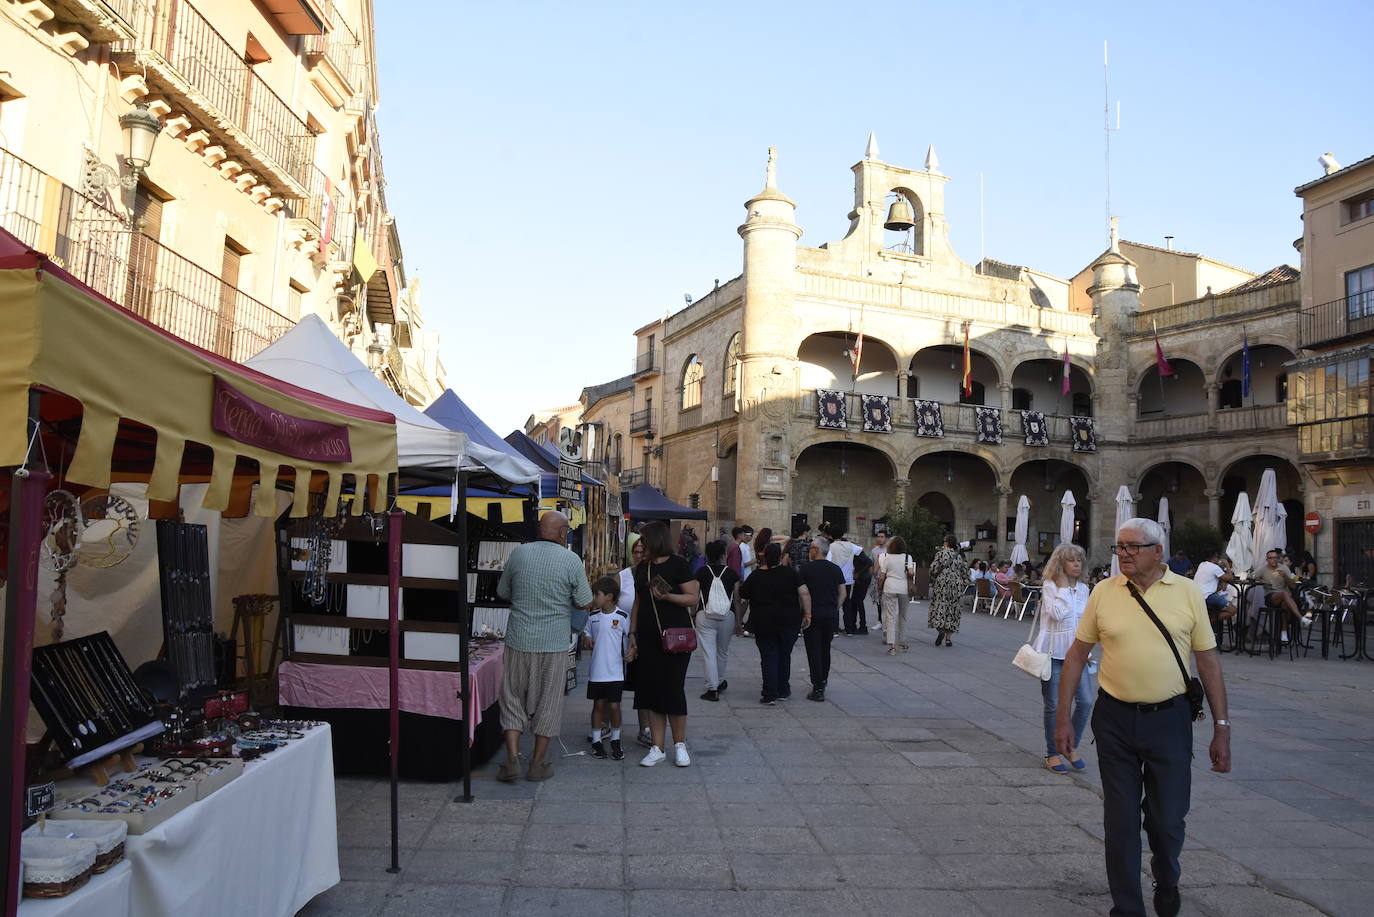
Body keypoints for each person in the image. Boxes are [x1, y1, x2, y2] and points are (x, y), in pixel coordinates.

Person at [1055, 518, 1231, 917]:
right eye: (1119, 547)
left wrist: (1222, 728)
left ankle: (1166, 880)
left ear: (1158, 551)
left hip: (1169, 720)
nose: (1124, 554)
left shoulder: (1187, 593)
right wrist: (1063, 719)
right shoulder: (1104, 591)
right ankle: (1127, 908)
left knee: (1167, 821)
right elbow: (1077, 656)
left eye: (1133, 547)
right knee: (1120, 820)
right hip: (1114, 718)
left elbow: (1208, 662)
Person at [495, 511, 593, 782]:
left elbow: (503, 592)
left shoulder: (519, 554)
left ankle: (512, 759)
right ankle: (537, 765)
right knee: (548, 702)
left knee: (512, 697)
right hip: (553, 642)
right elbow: (585, 600)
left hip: (519, 640)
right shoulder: (571, 560)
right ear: (562, 532)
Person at [625, 521, 700, 767]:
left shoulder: (678, 564)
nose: (640, 545)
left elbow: (692, 598)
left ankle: (680, 744)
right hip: (648, 637)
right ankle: (657, 747)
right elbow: (638, 602)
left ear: (655, 541)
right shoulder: (642, 569)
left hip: (675, 637)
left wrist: (668, 596)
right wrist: (632, 632)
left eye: (644, 541)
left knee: (673, 690)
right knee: (651, 691)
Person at [1036, 543, 1093, 774]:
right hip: (1052, 653)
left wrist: (1088, 651)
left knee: (1086, 701)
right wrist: (1062, 587)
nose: (1077, 564)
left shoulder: (1084, 589)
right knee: (1054, 706)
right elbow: (1057, 615)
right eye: (1071, 560)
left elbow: (1086, 623)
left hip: (1077, 654)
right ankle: (1052, 753)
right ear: (1061, 564)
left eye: (1080, 560)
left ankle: (1071, 745)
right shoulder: (1050, 586)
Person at [740, 541, 810, 705]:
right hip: (788, 621)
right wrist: (807, 614)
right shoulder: (791, 573)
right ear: (779, 557)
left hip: (763, 622)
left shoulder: (756, 576)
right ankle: (783, 690)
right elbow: (804, 593)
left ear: (764, 556)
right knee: (784, 655)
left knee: (768, 656)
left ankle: (770, 693)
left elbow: (743, 594)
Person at [582, 576, 629, 761]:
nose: (594, 597)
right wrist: (586, 640)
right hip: (597, 671)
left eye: (597, 594)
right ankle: (596, 741)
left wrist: (631, 652)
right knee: (598, 706)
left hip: (616, 671)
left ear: (609, 596)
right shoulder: (592, 617)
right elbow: (587, 635)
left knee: (615, 706)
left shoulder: (622, 617)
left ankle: (616, 740)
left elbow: (629, 640)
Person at [798, 535, 845, 701]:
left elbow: (802, 594)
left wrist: (805, 613)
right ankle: (823, 679)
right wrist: (834, 608)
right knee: (825, 649)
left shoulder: (805, 569)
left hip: (813, 615)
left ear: (815, 550)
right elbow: (843, 593)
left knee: (813, 650)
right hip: (830, 614)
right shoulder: (836, 569)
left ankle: (817, 686)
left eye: (810, 548)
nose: (808, 551)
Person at [694, 539, 739, 702]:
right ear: (723, 555)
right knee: (722, 651)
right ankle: (719, 681)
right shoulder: (732, 573)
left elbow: (695, 596)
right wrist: (739, 622)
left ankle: (712, 688)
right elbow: (737, 599)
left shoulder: (701, 572)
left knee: (708, 652)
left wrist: (692, 614)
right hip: (727, 616)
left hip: (705, 615)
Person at [618, 540, 653, 749]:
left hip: (645, 637)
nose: (639, 555)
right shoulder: (622, 576)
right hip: (621, 637)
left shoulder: (653, 576)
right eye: (636, 551)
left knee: (644, 684)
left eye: (643, 551)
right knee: (614, 682)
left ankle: (645, 728)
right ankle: (607, 723)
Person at [1255, 548, 1311, 637]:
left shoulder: (1284, 568)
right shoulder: (1263, 569)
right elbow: (1252, 577)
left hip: (1284, 597)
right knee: (1285, 594)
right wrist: (1261, 580)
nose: (1274, 560)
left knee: (1285, 602)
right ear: (1267, 559)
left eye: (1275, 558)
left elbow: (1293, 586)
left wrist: (1285, 576)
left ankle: (1284, 632)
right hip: (1271, 596)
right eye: (1271, 558)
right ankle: (1300, 618)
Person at [875, 535, 914, 654]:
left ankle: (892, 646)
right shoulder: (908, 557)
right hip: (903, 588)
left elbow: (881, 577)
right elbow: (911, 573)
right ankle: (902, 641)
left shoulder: (887, 557)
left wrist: (880, 588)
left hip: (889, 587)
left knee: (890, 616)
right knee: (903, 615)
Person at [928, 534, 966, 647]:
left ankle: (940, 631)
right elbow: (965, 571)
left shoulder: (940, 553)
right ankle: (948, 639)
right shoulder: (959, 556)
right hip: (956, 585)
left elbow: (933, 569)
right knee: (952, 611)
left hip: (942, 584)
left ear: (946, 543)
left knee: (940, 607)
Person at [1192, 550, 1237, 638]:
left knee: (1219, 604)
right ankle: (1206, 624)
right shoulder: (1214, 568)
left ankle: (1206, 623)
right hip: (1207, 596)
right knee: (1233, 610)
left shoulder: (1202, 565)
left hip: (1197, 595)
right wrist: (1227, 564)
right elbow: (1230, 578)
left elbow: (1218, 582)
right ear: (1215, 557)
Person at [848, 538, 874, 635]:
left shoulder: (857, 552)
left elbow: (869, 562)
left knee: (858, 601)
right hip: (860, 578)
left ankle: (863, 626)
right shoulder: (854, 551)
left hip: (864, 578)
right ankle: (853, 625)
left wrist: (858, 573)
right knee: (853, 602)